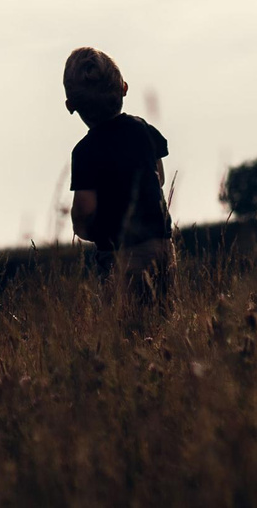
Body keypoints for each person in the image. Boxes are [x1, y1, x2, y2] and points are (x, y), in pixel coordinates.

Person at [64, 46, 175, 315]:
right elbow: (159, 177)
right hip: (161, 245)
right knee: (162, 318)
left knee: (126, 325)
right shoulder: (142, 130)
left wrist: (83, 229)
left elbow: (85, 209)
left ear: (71, 106)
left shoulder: (85, 152)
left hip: (120, 255)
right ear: (123, 88)